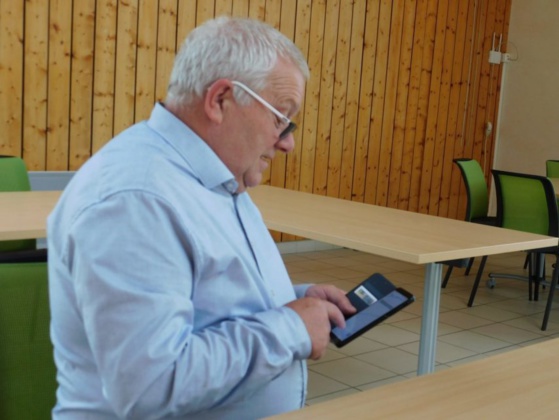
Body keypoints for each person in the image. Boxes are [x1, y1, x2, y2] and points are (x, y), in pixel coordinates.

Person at [47, 16, 355, 419]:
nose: (288, 142)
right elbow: (151, 387)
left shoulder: (215, 177)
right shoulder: (136, 200)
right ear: (220, 100)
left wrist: (291, 301)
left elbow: (203, 293)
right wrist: (290, 329)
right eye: (281, 117)